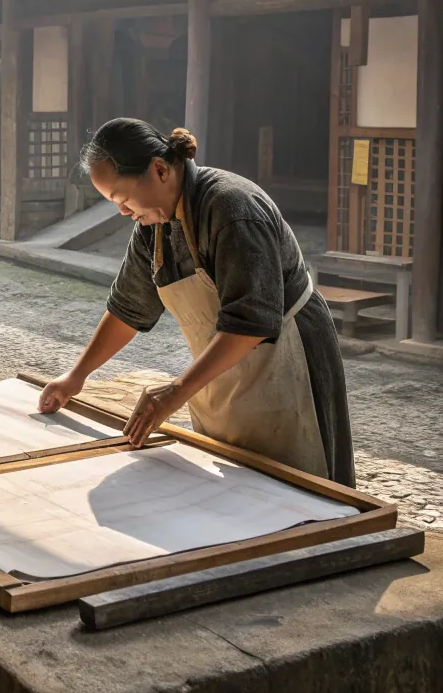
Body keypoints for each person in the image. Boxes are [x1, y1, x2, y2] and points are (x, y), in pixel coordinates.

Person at [38, 117, 354, 484]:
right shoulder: (152, 226)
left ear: (159, 170)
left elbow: (251, 322)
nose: (123, 211)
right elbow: (128, 309)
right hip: (224, 368)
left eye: (123, 198)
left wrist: (177, 391)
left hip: (288, 359)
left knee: (302, 489)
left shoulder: (233, 209)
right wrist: (75, 377)